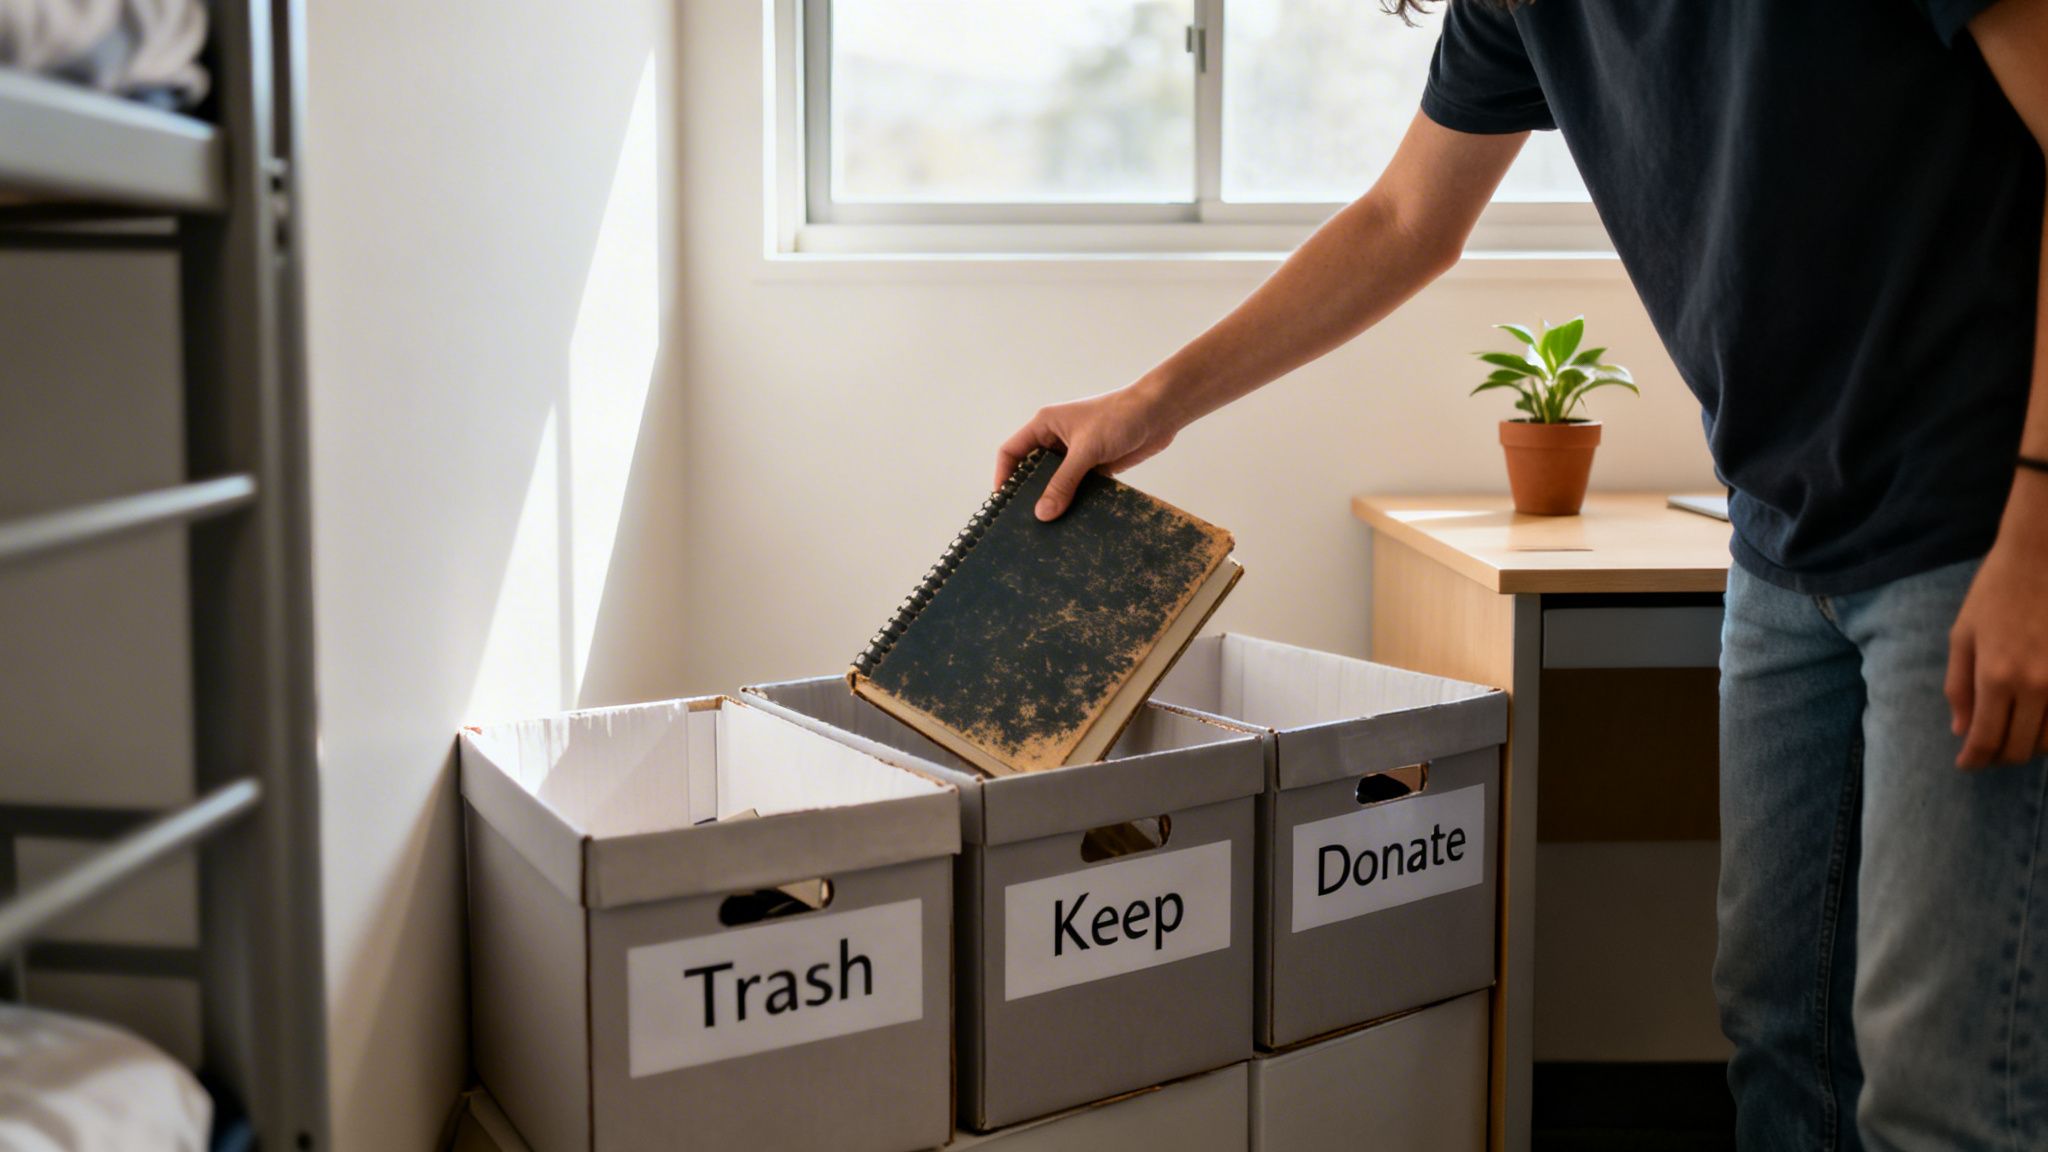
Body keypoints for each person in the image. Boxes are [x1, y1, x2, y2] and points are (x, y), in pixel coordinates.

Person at [997, 1, 2048, 1147]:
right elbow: (1406, 217)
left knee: (1936, 1091)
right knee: (1779, 1043)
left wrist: (2037, 531)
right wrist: (1149, 405)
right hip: (1781, 536)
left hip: (1978, 523)